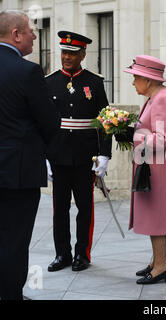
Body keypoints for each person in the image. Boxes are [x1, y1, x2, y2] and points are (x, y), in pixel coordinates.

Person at [0, 10, 60, 300]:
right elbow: (50, 121)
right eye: (31, 30)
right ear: (16, 35)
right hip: (18, 172)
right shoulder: (27, 71)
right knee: (14, 239)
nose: (35, 35)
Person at [46, 31, 112, 272]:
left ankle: (82, 254)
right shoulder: (50, 81)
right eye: (64, 52)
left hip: (86, 156)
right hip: (59, 155)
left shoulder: (94, 83)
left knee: (85, 207)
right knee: (60, 209)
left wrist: (105, 154)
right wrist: (45, 156)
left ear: (83, 54)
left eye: (72, 54)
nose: (67, 57)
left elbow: (106, 120)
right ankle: (61, 254)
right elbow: (43, 122)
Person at [120, 55, 166, 284]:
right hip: (158, 168)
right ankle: (157, 260)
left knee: (157, 220)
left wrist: (133, 135)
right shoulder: (158, 96)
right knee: (155, 219)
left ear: (148, 79)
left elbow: (163, 138)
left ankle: (160, 266)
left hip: (159, 170)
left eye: (136, 77)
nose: (133, 81)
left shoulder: (162, 100)